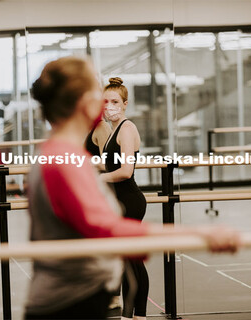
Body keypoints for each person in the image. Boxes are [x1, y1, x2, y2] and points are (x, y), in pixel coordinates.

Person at [25, 56, 240, 320]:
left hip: (70, 296)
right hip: (69, 303)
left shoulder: (59, 153)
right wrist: (198, 233)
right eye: (97, 92)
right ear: (84, 102)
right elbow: (107, 229)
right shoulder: (63, 161)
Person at [100, 77, 149, 320]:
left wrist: (98, 179)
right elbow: (111, 165)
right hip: (119, 201)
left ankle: (134, 315)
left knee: (131, 262)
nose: (109, 105)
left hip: (129, 200)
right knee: (126, 260)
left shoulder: (127, 128)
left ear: (125, 103)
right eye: (105, 101)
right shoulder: (112, 130)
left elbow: (125, 171)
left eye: (115, 101)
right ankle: (134, 315)